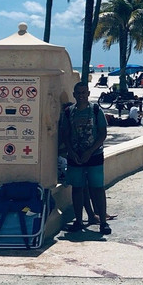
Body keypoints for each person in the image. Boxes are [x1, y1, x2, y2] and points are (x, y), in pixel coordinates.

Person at [58, 82, 110, 235]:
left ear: (88, 93)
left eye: (83, 92)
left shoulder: (95, 110)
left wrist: (90, 151)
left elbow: (102, 133)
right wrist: (71, 151)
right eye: (78, 93)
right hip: (75, 156)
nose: (81, 95)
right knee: (77, 188)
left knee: (98, 188)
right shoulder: (69, 112)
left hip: (94, 155)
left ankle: (103, 222)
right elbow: (65, 134)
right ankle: (79, 221)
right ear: (74, 94)